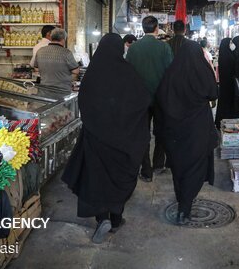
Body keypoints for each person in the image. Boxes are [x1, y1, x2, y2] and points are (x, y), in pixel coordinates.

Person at [62, 33, 151, 244]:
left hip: (97, 138)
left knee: (98, 178)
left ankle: (102, 218)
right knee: (120, 177)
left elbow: (83, 102)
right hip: (124, 140)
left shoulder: (93, 74)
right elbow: (144, 100)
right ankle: (117, 219)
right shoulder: (128, 73)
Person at [156, 41, 218, 225]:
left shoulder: (171, 74)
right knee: (195, 167)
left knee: (178, 166)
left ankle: (182, 200)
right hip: (197, 130)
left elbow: (160, 98)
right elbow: (213, 93)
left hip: (175, 132)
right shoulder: (202, 71)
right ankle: (185, 206)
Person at [126, 16, 174, 181]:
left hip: (139, 99)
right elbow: (170, 73)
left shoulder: (133, 48)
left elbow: (128, 73)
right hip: (160, 98)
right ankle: (158, 164)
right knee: (160, 132)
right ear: (157, 28)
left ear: (143, 28)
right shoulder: (164, 47)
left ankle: (146, 170)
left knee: (142, 134)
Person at [33, 28, 79, 95]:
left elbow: (36, 69)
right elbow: (76, 71)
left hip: (44, 91)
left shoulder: (40, 51)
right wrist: (64, 79)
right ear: (63, 39)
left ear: (51, 38)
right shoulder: (66, 53)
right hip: (62, 92)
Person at [215, 38, 235, 128]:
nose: (232, 44)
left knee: (223, 103)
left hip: (224, 83)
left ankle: (219, 121)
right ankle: (225, 122)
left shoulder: (223, 54)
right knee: (226, 103)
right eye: (230, 42)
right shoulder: (229, 55)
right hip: (228, 83)